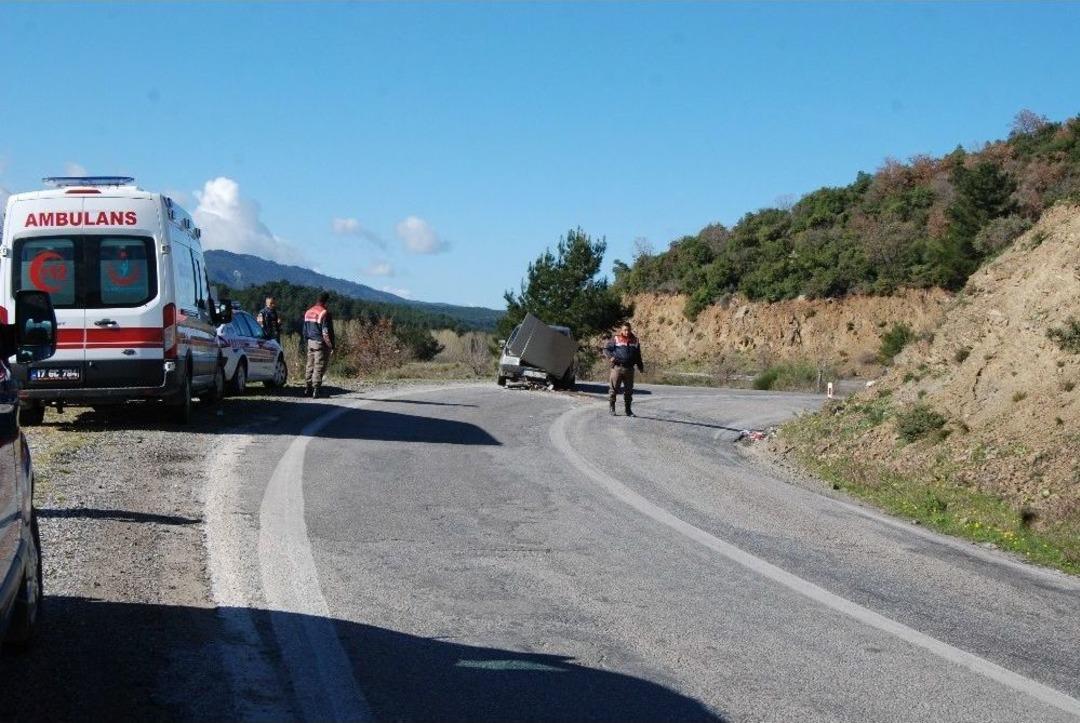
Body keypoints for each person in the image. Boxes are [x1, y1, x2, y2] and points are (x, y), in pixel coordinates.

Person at [604, 322, 644, 417]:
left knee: (629, 391)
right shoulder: (616, 339)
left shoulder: (635, 341)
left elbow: (638, 356)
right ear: (621, 330)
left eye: (628, 330)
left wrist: (640, 367)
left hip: (629, 369)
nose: (627, 332)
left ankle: (628, 410)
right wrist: (611, 357)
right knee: (613, 389)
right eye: (625, 330)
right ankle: (612, 408)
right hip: (617, 368)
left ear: (630, 330)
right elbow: (606, 349)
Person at [303, 292, 335, 398]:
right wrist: (331, 345)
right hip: (320, 343)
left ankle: (307, 388)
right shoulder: (324, 313)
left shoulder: (308, 312)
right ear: (326, 301)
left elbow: (304, 330)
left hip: (310, 342)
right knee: (319, 365)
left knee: (309, 364)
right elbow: (326, 332)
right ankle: (316, 389)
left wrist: (306, 340)